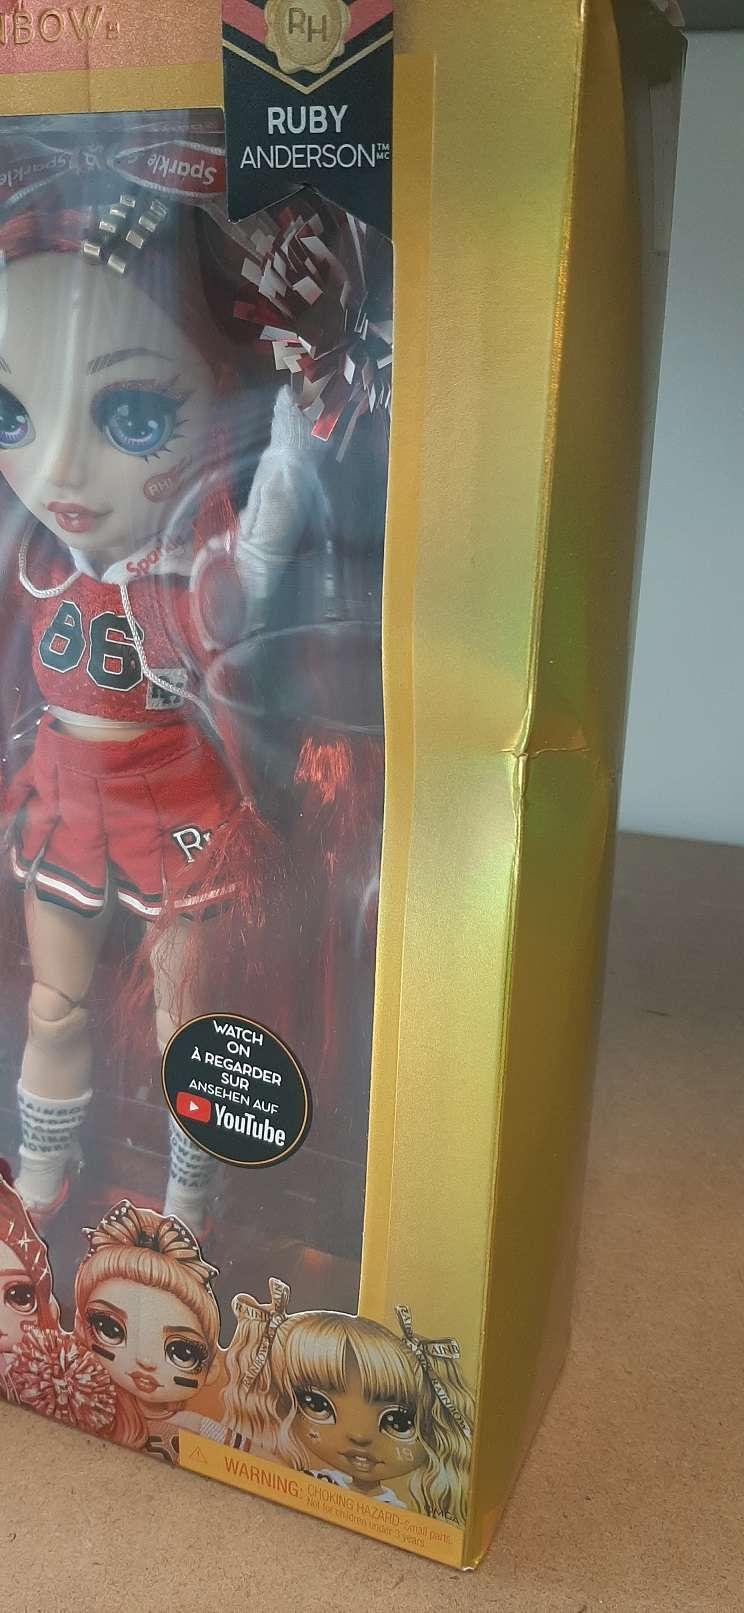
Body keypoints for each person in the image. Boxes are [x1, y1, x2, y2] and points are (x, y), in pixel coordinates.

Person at [219, 1283, 475, 1524]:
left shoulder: (396, 1516)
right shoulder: (311, 1478)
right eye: (317, 1405)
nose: (359, 1436)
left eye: (398, 1422)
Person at [72, 1198, 222, 1457]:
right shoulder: (81, 1396)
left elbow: (258, 1464)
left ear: (212, 1367)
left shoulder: (194, 1426)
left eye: (181, 1352)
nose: (145, 1360)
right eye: (110, 1329)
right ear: (82, 1326)